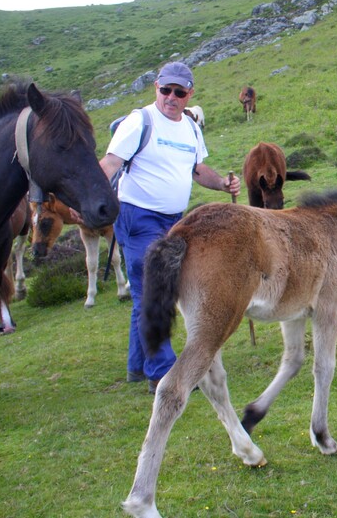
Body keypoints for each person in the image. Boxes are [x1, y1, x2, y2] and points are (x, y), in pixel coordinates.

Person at [100, 62, 240, 393]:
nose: (171, 98)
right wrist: (86, 200)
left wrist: (221, 183)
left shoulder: (191, 128)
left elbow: (197, 169)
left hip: (175, 220)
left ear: (190, 94)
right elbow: (110, 163)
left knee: (148, 292)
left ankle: (138, 365)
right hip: (138, 215)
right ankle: (163, 371)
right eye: (166, 90)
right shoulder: (140, 121)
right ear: (156, 87)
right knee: (152, 288)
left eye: (179, 92)